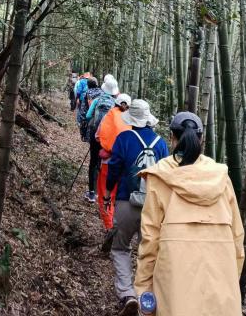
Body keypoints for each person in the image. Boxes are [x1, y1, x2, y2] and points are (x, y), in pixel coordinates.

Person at [134, 111, 244, 316]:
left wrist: (144, 288)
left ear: (172, 138)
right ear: (201, 140)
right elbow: (237, 237)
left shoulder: (160, 176)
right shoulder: (221, 177)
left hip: (175, 284)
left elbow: (149, 240)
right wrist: (230, 279)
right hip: (221, 281)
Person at [104, 99, 169, 316]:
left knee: (120, 248)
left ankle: (127, 294)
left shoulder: (124, 138)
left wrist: (108, 192)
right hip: (153, 207)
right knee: (148, 253)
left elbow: (114, 169)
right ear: (149, 119)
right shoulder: (161, 144)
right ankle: (146, 301)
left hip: (126, 201)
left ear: (131, 118)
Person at [97, 93, 132, 234]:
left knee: (105, 194)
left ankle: (109, 226)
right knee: (119, 196)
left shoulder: (109, 115)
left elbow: (98, 136)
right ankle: (119, 226)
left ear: (115, 103)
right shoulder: (133, 119)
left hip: (108, 162)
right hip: (126, 165)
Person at [84, 74, 119, 203]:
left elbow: (88, 116)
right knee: (103, 162)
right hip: (108, 138)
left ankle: (91, 193)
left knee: (93, 162)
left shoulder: (97, 100)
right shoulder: (115, 104)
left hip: (95, 135)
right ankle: (101, 192)